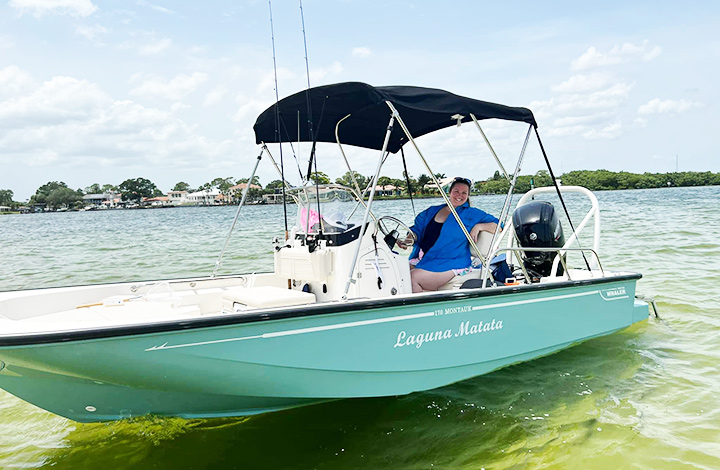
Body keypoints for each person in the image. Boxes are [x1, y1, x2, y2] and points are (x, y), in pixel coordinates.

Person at [408, 177, 498, 292]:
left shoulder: (472, 214)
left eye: (464, 193)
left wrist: (479, 226)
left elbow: (499, 226)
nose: (459, 195)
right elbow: (417, 230)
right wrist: (409, 238)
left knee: (412, 278)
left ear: (468, 196)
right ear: (449, 192)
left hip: (452, 262)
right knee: (397, 271)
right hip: (427, 258)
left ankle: (422, 309)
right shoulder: (432, 211)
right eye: (456, 191)